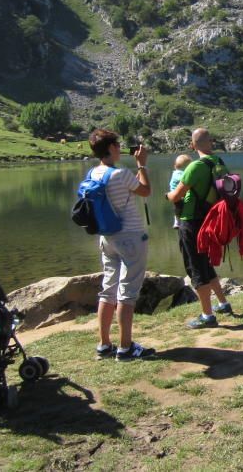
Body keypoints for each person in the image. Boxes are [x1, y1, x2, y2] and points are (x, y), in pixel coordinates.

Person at [87, 129, 156, 361]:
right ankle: (126, 348)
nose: (119, 147)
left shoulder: (93, 173)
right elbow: (146, 191)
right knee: (127, 293)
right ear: (110, 149)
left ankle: (104, 345)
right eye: (116, 144)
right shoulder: (121, 174)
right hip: (130, 238)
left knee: (108, 290)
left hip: (107, 238)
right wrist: (142, 165)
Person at [166, 128, 232, 329]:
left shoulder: (194, 167)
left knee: (195, 267)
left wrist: (166, 195)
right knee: (205, 263)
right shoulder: (219, 163)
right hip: (210, 220)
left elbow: (176, 196)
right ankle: (223, 303)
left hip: (192, 221)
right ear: (211, 142)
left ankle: (207, 315)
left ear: (192, 145)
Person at [169, 154, 193, 228]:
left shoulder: (178, 172)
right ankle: (177, 221)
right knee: (178, 207)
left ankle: (178, 220)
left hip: (180, 194)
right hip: (177, 194)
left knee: (179, 207)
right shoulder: (178, 173)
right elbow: (184, 179)